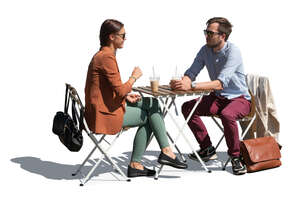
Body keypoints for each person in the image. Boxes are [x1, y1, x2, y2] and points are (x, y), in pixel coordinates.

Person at [84, 19, 187, 178]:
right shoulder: (106, 57)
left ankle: (156, 156)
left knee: (152, 103)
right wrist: (134, 77)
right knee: (150, 118)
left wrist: (125, 96)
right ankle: (155, 156)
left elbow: (110, 90)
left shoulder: (103, 55)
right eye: (123, 35)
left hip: (102, 108)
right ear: (112, 37)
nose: (125, 38)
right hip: (103, 116)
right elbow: (118, 91)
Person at [170, 17, 250, 175]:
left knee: (227, 114)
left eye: (210, 33)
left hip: (239, 99)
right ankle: (207, 148)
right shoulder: (205, 50)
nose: (206, 35)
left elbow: (221, 83)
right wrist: (182, 82)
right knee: (188, 107)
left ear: (223, 36)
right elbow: (192, 71)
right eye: (205, 32)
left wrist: (191, 86)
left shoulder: (233, 51)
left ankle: (235, 156)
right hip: (218, 98)